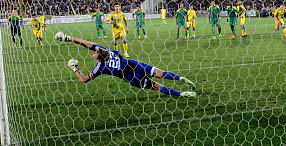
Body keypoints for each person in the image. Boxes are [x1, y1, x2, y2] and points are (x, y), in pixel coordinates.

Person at [54, 32, 196, 97]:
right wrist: (69, 38)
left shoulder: (100, 67)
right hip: (134, 64)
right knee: (162, 73)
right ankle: (180, 78)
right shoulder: (109, 51)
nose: (93, 52)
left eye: (94, 52)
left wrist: (75, 69)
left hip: (131, 77)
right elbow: (86, 43)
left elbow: (84, 80)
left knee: (155, 86)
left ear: (98, 56)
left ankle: (182, 94)